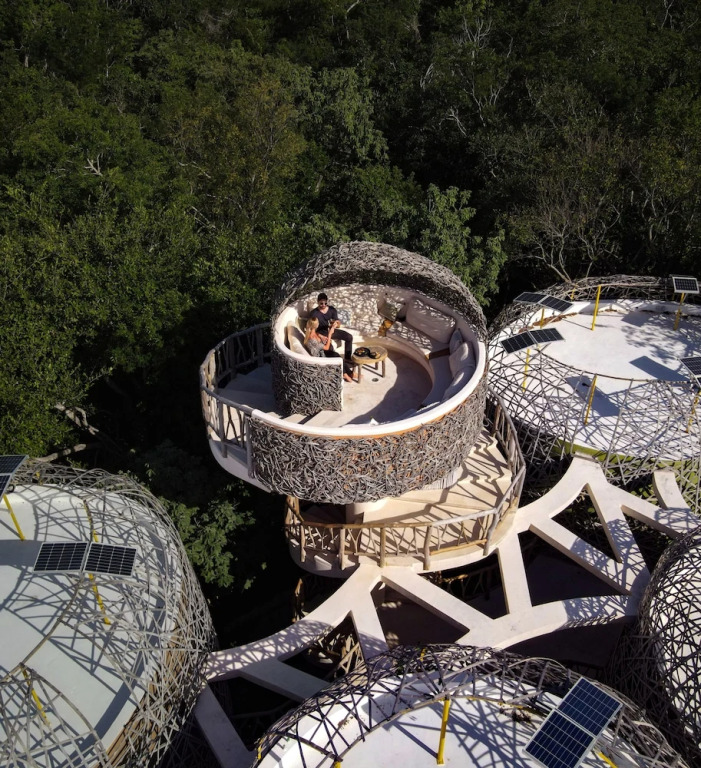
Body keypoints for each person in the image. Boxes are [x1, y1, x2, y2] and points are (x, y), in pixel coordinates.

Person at [304, 318, 355, 382]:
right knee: (335, 355)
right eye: (318, 323)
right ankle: (344, 374)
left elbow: (316, 335)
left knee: (336, 354)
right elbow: (326, 347)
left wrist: (321, 336)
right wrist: (330, 334)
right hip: (320, 358)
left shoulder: (311, 333)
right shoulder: (312, 339)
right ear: (316, 325)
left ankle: (350, 373)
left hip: (321, 352)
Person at [310, 293, 353, 360]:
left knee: (349, 337)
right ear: (317, 302)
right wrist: (320, 336)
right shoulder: (314, 313)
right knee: (330, 349)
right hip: (321, 333)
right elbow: (311, 330)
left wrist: (336, 324)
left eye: (325, 303)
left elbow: (338, 323)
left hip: (331, 330)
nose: (323, 305)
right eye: (321, 303)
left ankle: (348, 359)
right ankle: (335, 362)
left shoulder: (332, 310)